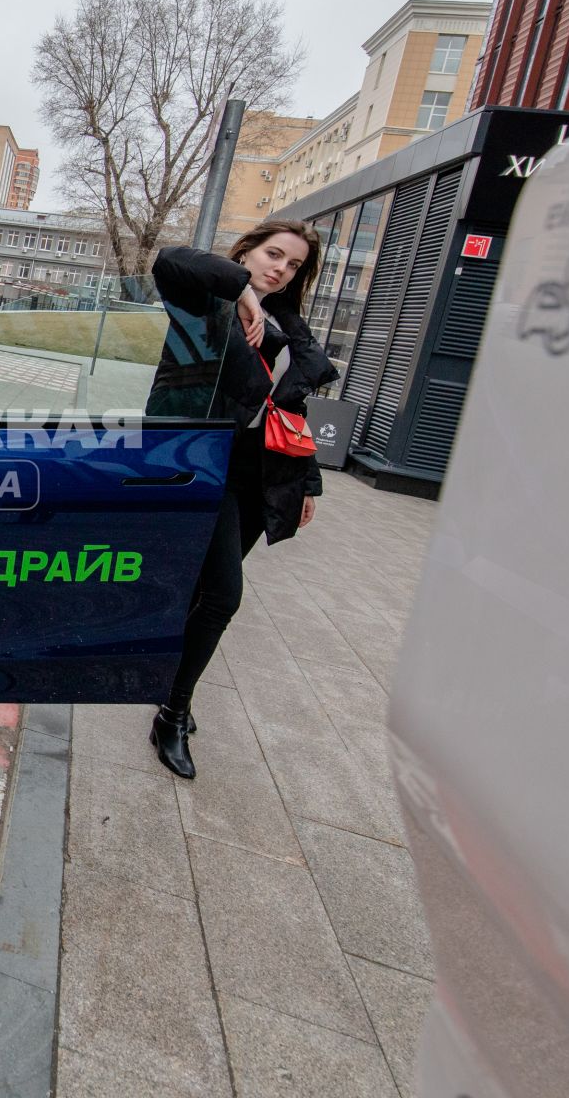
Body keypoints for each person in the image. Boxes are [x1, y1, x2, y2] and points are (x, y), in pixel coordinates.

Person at [144, 220, 337, 779]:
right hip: (204, 467)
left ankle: (167, 684)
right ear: (247, 251)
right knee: (225, 596)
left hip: (259, 476)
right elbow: (170, 258)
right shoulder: (206, 300)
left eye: (294, 264)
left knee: (204, 592)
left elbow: (292, 412)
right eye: (272, 254)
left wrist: (309, 484)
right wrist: (244, 294)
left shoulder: (290, 326)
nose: (280, 268)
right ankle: (172, 712)